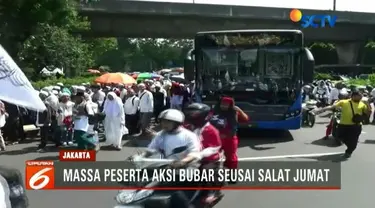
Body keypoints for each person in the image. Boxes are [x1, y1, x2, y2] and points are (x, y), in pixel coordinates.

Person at [130, 109, 201, 208]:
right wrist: (139, 157)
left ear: (176, 123)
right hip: (165, 168)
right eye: (162, 121)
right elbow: (151, 149)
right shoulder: (161, 135)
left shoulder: (189, 136)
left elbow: (194, 153)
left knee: (179, 198)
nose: (164, 124)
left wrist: (183, 162)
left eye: (168, 121)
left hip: (185, 170)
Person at [184, 103, 222, 202]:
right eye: (190, 113)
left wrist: (200, 155)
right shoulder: (186, 127)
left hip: (208, 159)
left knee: (206, 170)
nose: (192, 115)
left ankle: (213, 191)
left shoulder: (211, 130)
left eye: (195, 113)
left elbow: (215, 147)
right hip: (188, 156)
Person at [319, 90, 370, 158]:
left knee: (353, 142)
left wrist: (368, 105)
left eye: (361, 96)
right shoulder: (344, 102)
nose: (361, 98)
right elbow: (332, 107)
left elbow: (367, 113)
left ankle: (349, 151)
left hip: (356, 126)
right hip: (343, 125)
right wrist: (320, 110)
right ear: (353, 96)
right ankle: (350, 146)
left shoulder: (362, 104)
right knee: (340, 137)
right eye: (359, 96)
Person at [210, 97, 247, 177]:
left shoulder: (234, 113)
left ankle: (232, 174)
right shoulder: (214, 111)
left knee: (231, 158)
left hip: (230, 139)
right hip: (215, 138)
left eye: (226, 105)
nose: (223, 106)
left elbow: (245, 119)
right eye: (222, 104)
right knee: (212, 156)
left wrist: (239, 110)